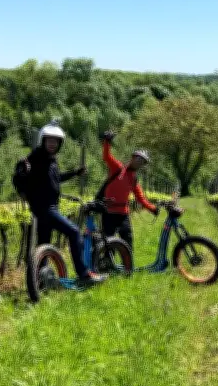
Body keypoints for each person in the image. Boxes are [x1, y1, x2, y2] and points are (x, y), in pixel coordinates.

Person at [13, 121, 105, 286]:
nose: (52, 144)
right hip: (46, 209)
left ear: (60, 144)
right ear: (43, 140)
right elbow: (21, 172)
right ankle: (84, 273)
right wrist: (21, 169)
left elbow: (56, 178)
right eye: (49, 140)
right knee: (74, 232)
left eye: (56, 141)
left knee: (44, 245)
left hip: (46, 209)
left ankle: (40, 281)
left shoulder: (51, 160)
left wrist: (75, 173)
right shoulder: (37, 157)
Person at [97, 131, 163, 258]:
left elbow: (140, 198)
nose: (139, 162)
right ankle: (106, 265)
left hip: (123, 214)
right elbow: (107, 157)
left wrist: (152, 208)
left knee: (128, 240)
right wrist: (107, 142)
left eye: (142, 161)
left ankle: (128, 268)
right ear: (132, 158)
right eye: (138, 159)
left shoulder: (133, 179)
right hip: (108, 212)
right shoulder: (118, 168)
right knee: (108, 242)